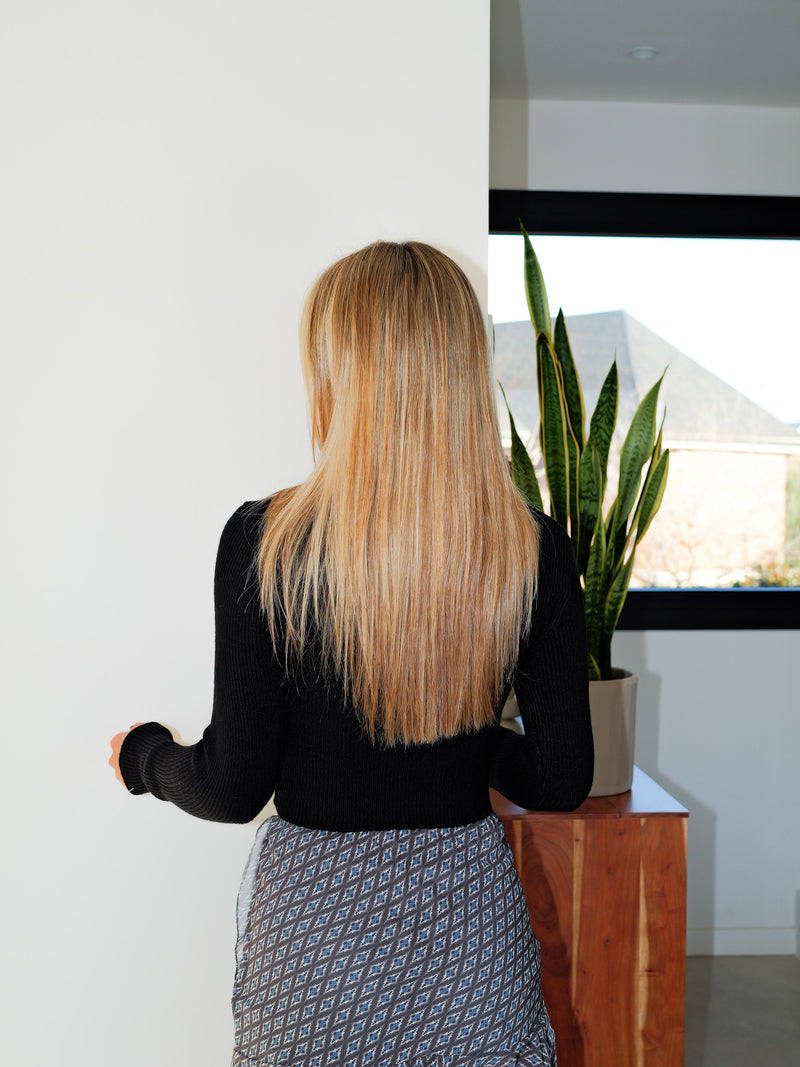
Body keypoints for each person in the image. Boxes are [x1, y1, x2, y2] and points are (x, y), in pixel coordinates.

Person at [109, 240, 594, 1067]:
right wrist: (470, 744)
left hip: (316, 957)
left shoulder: (267, 543)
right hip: (469, 950)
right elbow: (559, 778)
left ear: (339, 373)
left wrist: (144, 757)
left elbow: (234, 786)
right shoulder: (532, 549)